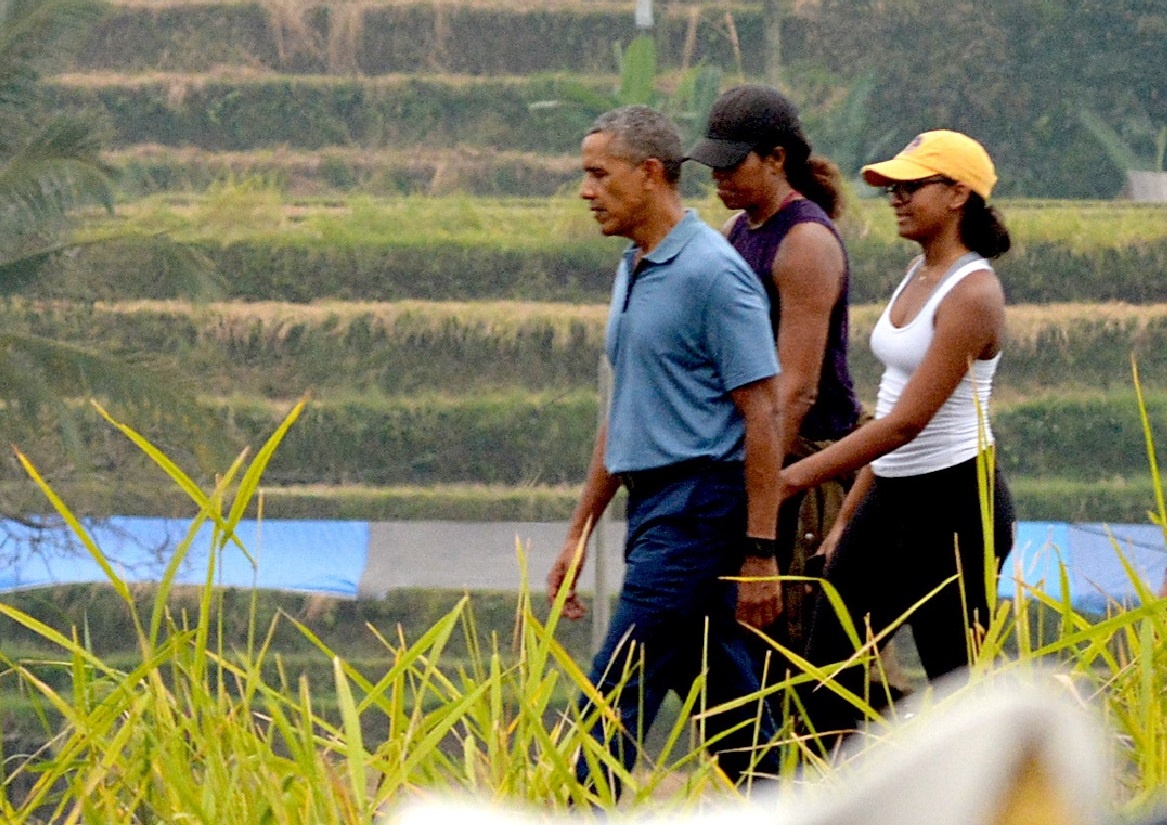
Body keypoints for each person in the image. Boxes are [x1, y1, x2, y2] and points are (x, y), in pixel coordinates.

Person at [545, 105, 783, 797]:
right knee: (727, 703)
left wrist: (759, 550)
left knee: (615, 690)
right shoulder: (635, 266)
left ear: (649, 173)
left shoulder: (714, 274)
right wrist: (580, 531)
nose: (586, 191)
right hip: (653, 507)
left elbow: (763, 413)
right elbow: (626, 411)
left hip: (698, 509)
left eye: (599, 174)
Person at [777, 130, 1017, 745]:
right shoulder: (919, 271)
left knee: (956, 689)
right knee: (822, 675)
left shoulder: (974, 292)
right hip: (892, 496)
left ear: (958, 194)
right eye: (892, 188)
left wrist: (791, 479)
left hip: (956, 508)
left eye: (912, 186)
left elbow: (907, 422)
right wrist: (847, 518)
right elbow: (889, 407)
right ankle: (855, 788)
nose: (896, 198)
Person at [685, 84, 862, 670]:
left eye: (732, 165)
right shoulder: (740, 231)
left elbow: (797, 389)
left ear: (776, 159)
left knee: (806, 650)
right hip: (760, 450)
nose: (719, 178)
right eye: (713, 166)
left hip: (803, 460)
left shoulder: (805, 241)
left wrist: (753, 497)